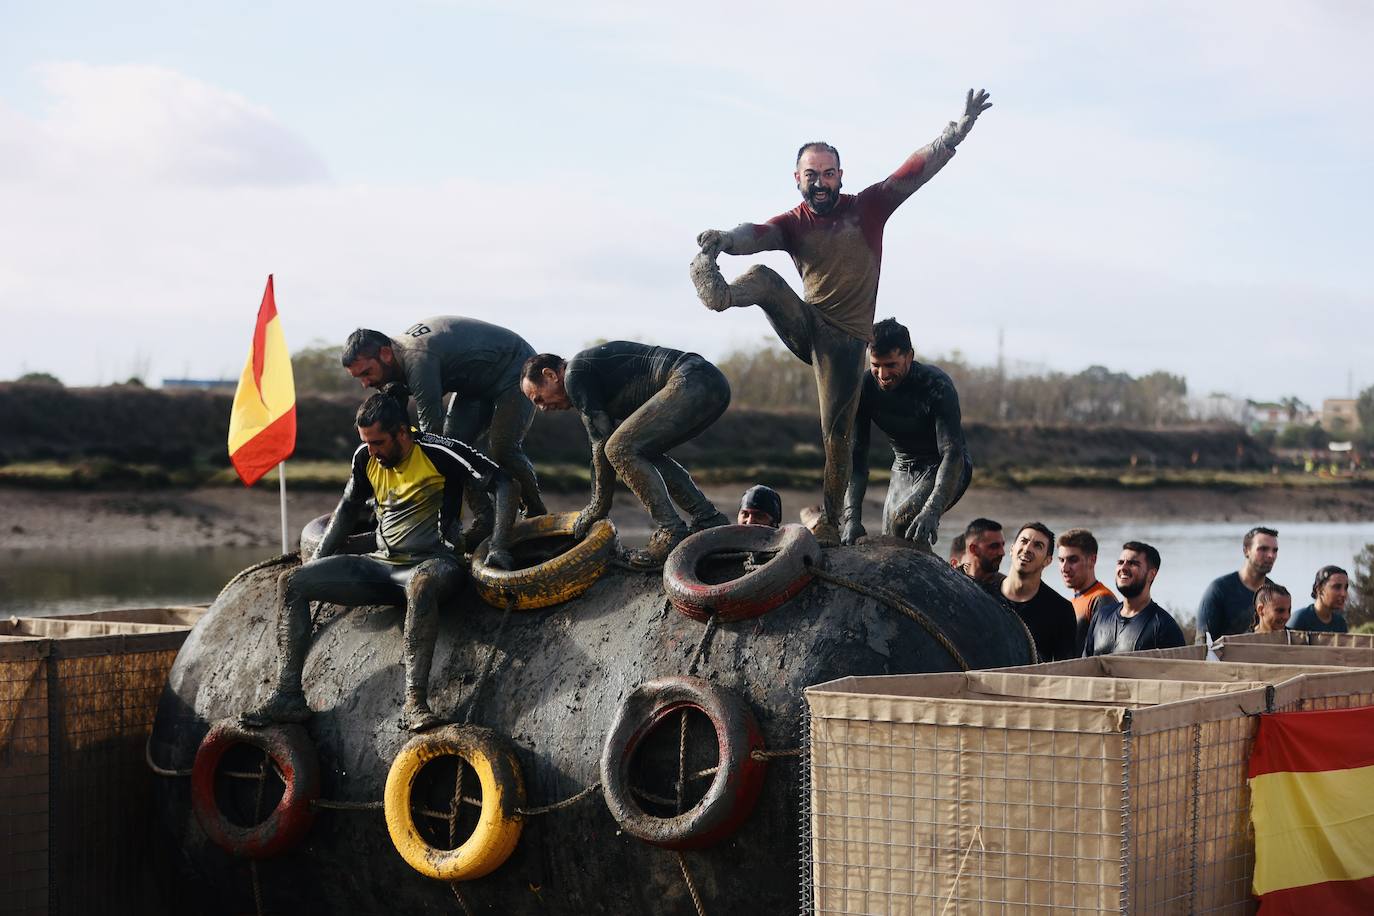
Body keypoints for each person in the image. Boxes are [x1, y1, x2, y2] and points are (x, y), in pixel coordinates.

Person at [690, 89, 992, 544]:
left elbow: (910, 173)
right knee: (764, 278)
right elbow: (757, 233)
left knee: (837, 435)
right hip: (807, 323)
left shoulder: (867, 208)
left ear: (840, 177)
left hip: (846, 342)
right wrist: (724, 240)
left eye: (828, 174)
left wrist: (953, 134)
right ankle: (719, 294)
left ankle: (832, 521)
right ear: (797, 179)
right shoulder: (794, 223)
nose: (820, 183)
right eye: (811, 175)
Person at [243, 393, 518, 732]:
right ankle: (288, 696)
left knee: (421, 585)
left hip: (433, 563)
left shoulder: (440, 451)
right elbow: (347, 510)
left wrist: (499, 546)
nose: (372, 450)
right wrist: (318, 561)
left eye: (378, 442)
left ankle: (415, 703)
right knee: (292, 582)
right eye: (367, 442)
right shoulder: (365, 457)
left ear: (402, 432)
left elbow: (504, 484)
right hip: (380, 565)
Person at [520, 343, 731, 567]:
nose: (542, 408)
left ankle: (671, 531)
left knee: (619, 448)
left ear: (550, 375)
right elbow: (602, 446)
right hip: (712, 383)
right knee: (640, 450)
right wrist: (598, 505)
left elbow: (602, 444)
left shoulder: (574, 374)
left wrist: (597, 507)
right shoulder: (587, 380)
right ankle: (709, 519)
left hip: (693, 379)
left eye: (538, 399)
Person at [341, 318, 546, 549]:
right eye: (359, 377)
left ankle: (535, 514)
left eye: (367, 373)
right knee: (455, 446)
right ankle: (485, 519)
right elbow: (399, 428)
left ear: (386, 354)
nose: (365, 384)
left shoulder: (418, 361)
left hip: (513, 368)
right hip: (474, 386)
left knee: (501, 448)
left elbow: (432, 435)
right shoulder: (391, 365)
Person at [841, 318, 972, 549]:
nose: (883, 374)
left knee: (902, 523)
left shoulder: (936, 385)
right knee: (891, 540)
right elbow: (857, 459)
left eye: (891, 365)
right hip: (903, 466)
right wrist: (852, 518)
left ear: (909, 356)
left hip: (946, 465)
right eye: (876, 365)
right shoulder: (865, 387)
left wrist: (933, 509)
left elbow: (952, 453)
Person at [1082, 542, 1186, 656]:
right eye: (1120, 562)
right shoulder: (1101, 616)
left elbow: (1178, 666)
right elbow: (1085, 663)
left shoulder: (1164, 626)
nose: (1123, 568)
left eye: (1132, 563)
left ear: (1151, 574)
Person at [1000, 522, 1076, 661]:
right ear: (1012, 549)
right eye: (1024, 541)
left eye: (1038, 546)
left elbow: (1066, 669)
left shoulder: (1061, 610)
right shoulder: (984, 594)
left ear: (1047, 561)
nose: (1027, 548)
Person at [1195, 526, 1279, 643]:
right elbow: (1202, 643)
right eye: (1263, 549)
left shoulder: (1274, 594)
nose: (1271, 555)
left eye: (1275, 550)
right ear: (1246, 550)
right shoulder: (1220, 590)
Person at [1057, 528, 1117, 655]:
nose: (1065, 568)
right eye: (1061, 560)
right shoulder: (1072, 602)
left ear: (1092, 560)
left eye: (1073, 560)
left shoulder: (1102, 599)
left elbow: (1106, 654)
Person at [1289, 565, 1350, 633]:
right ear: (1319, 589)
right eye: (1337, 587)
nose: (1343, 594)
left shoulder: (1340, 623)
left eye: (1345, 588)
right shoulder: (1300, 619)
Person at [960, 518, 1006, 593]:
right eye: (994, 546)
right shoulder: (951, 578)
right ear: (973, 549)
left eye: (1002, 545)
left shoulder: (1007, 588)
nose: (1002, 553)